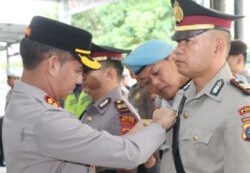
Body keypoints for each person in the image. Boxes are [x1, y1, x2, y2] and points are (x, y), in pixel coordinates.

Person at [2, 16, 176, 173]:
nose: (79, 80)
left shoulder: (22, 103)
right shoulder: (44, 117)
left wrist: (131, 137)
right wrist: (159, 125)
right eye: (78, 70)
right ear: (53, 65)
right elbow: (129, 154)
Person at [164, 0, 250, 173]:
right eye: (178, 42)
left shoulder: (240, 104)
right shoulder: (183, 94)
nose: (177, 51)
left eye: (188, 41)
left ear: (218, 47)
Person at [124, 40, 190, 173]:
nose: (155, 83)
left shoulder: (201, 93)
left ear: (172, 58)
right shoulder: (161, 103)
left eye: (156, 73)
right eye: (146, 82)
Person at [82, 44, 141, 173]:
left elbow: (126, 166)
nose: (82, 75)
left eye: (87, 70)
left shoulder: (121, 114)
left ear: (109, 74)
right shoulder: (94, 107)